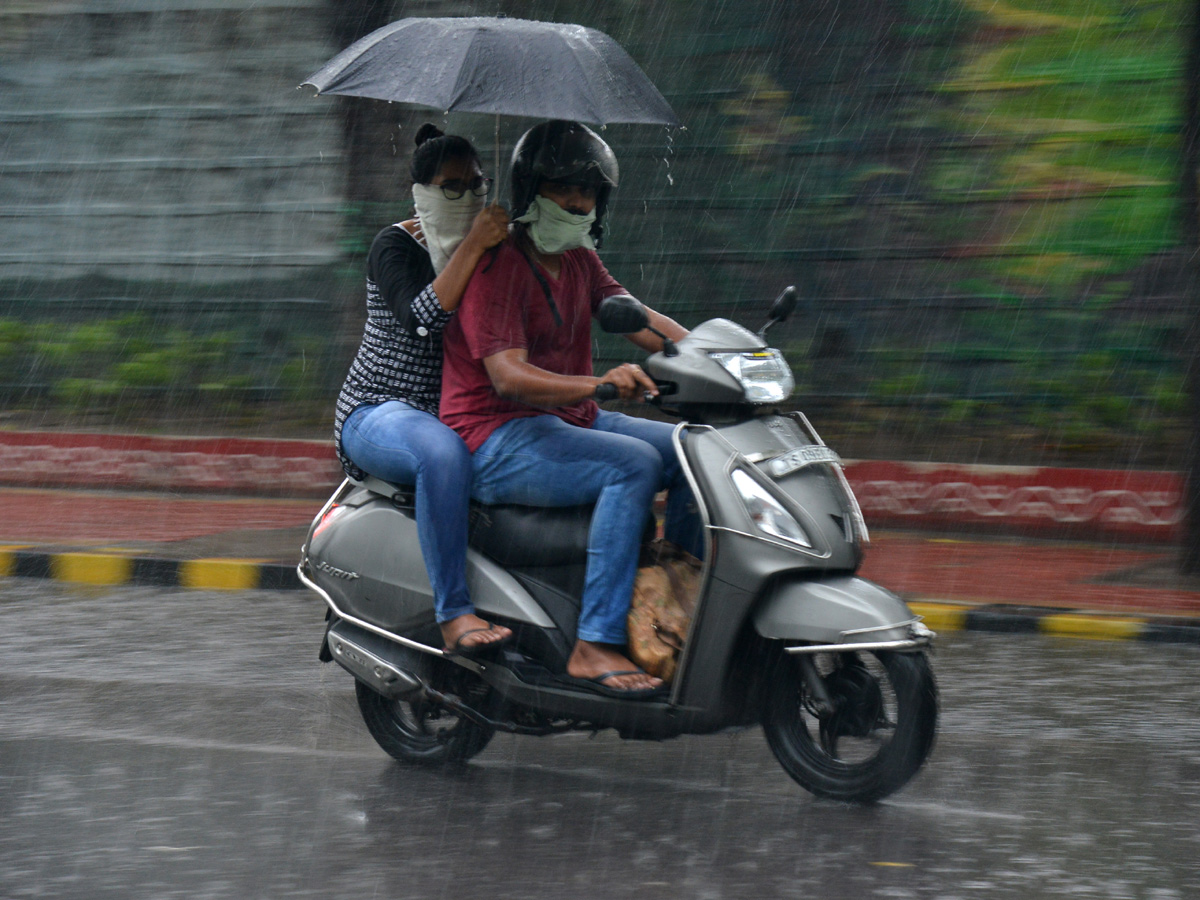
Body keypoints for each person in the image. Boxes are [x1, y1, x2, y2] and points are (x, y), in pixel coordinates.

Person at [440, 120, 700, 697]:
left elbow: (641, 319)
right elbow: (507, 377)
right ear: (532, 189)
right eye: (565, 189)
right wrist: (596, 386)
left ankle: (675, 601)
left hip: (565, 423)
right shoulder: (497, 264)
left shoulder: (580, 260)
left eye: (589, 193)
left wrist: (718, 357)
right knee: (629, 465)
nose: (578, 204)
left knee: (695, 450)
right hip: (493, 434)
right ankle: (594, 642)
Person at [334, 124, 512, 655]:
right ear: (423, 193)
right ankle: (454, 613)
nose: (469, 195)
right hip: (382, 411)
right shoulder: (396, 244)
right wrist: (477, 243)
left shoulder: (495, 252)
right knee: (441, 455)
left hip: (464, 412)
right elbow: (422, 319)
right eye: (452, 186)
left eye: (478, 183)